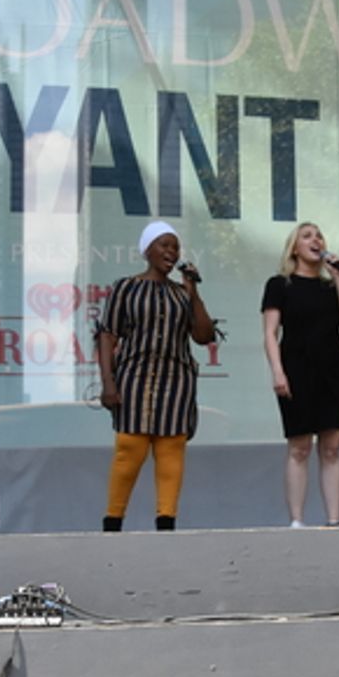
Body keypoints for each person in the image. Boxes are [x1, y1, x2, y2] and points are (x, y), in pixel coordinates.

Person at [97, 221, 215, 532]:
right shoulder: (126, 287)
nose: (171, 252)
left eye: (175, 246)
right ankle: (113, 522)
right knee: (129, 449)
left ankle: (166, 523)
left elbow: (203, 335)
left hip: (176, 382)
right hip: (134, 379)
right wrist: (108, 383)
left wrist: (193, 290)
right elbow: (107, 335)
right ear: (147, 249)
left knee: (171, 449)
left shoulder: (182, 293)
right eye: (164, 245)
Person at [261, 223, 339, 527]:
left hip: (333, 369)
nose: (315, 240)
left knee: (331, 449)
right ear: (294, 248)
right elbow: (270, 333)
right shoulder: (280, 284)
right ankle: (297, 521)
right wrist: (278, 372)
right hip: (297, 367)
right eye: (307, 236)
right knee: (300, 447)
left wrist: (338, 276)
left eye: (319, 235)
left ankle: (333, 520)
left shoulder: (330, 286)